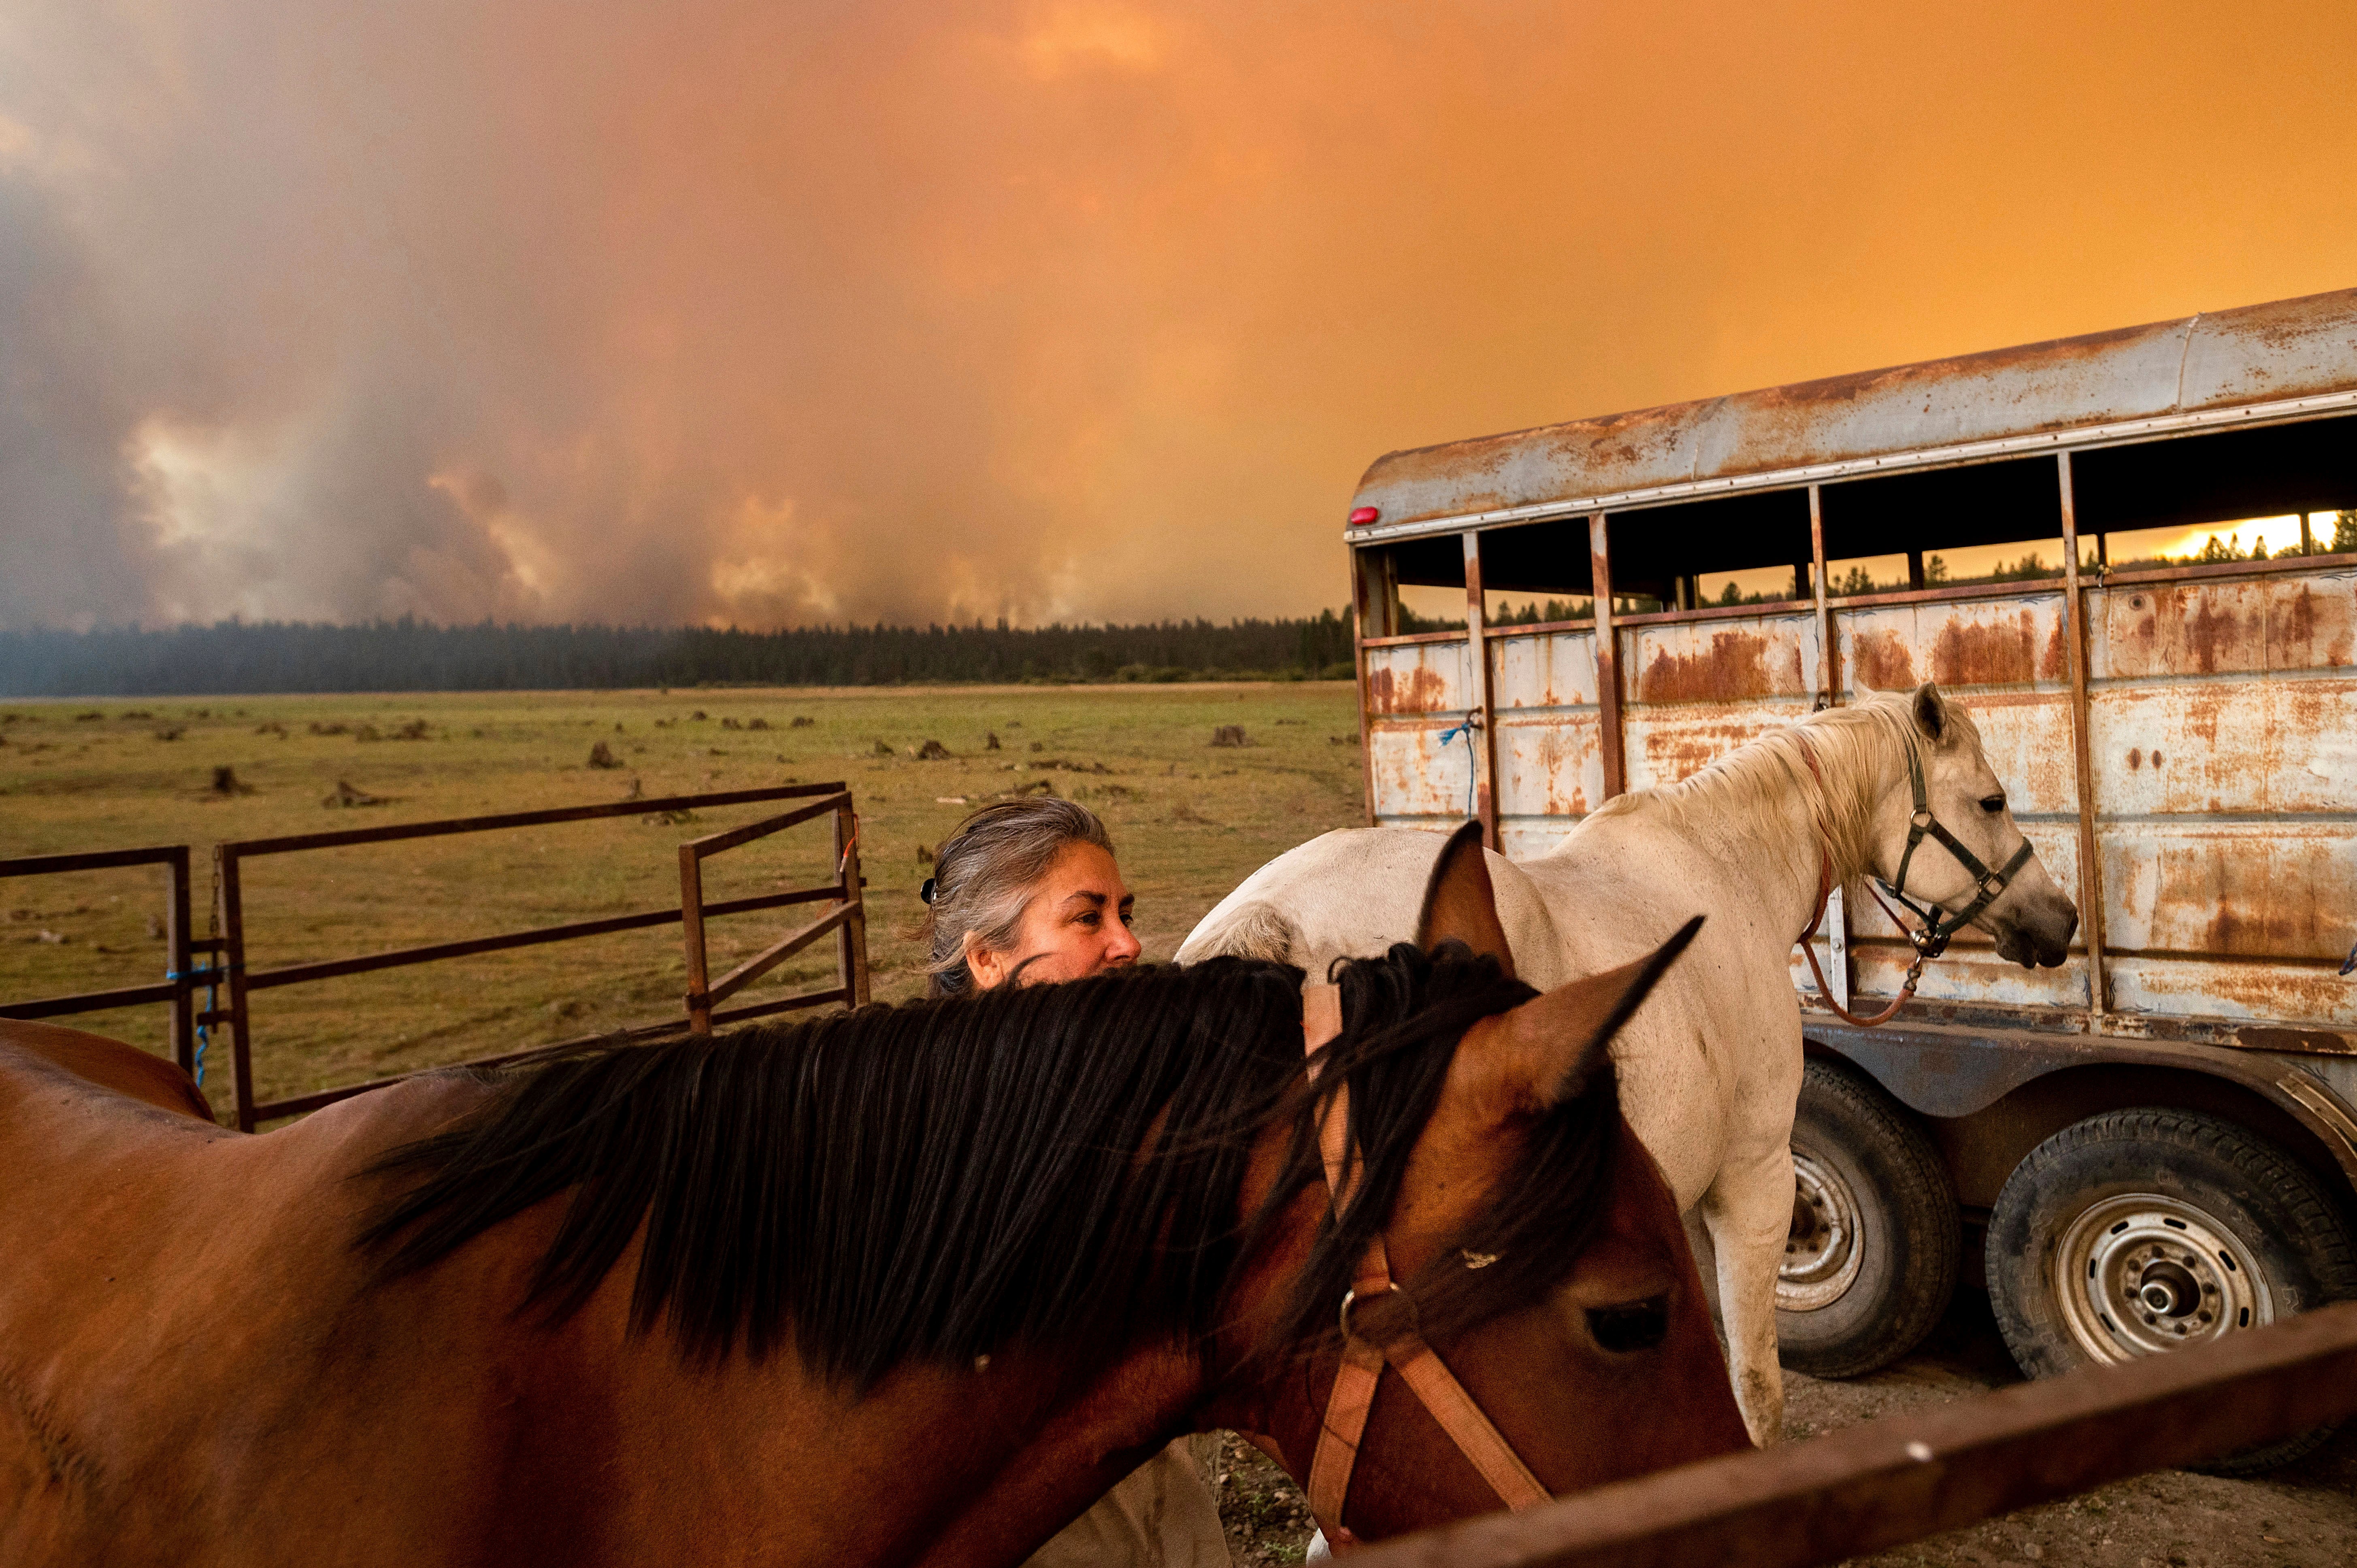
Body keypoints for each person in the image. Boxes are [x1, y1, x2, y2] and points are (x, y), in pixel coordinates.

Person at [918, 798, 1231, 1568]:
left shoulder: (1119, 1101)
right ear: (987, 959)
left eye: (1124, 912)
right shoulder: (929, 1139)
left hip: (1157, 1495)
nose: (1129, 944)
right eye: (1088, 918)